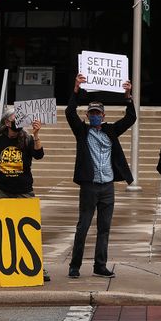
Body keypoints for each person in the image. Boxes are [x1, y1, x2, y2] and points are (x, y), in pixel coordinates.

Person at [65, 73, 137, 279]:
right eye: (92, 113)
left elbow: (131, 118)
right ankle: (75, 265)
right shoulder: (82, 132)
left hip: (107, 186)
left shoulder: (111, 131)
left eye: (98, 113)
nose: (95, 115)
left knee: (104, 228)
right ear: (87, 116)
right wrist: (76, 88)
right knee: (83, 226)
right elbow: (70, 112)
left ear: (103, 116)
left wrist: (127, 95)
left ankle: (100, 265)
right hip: (89, 186)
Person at [0, 111, 50, 281]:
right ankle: (2, 263)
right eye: (14, 120)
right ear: (7, 123)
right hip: (1, 189)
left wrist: (36, 134)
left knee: (30, 229)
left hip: (23, 190)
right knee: (1, 229)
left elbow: (39, 155)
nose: (18, 123)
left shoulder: (27, 139)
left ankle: (36, 266)